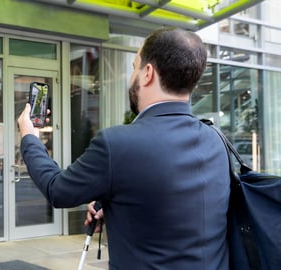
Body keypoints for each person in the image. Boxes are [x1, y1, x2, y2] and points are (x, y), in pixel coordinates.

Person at [17, 27, 230, 270]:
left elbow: (57, 190)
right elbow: (184, 209)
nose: (132, 76)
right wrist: (121, 205)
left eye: (134, 67)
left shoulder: (116, 144)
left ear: (147, 73)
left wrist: (29, 138)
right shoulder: (218, 141)